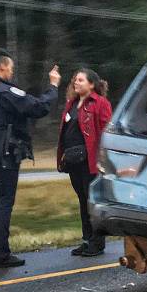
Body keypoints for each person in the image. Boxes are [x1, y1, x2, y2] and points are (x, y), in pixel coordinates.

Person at [0, 49, 60, 269]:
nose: (12, 71)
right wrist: (53, 86)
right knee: (3, 202)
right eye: (10, 67)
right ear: (1, 67)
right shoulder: (3, 91)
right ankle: (0, 254)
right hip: (2, 154)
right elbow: (38, 107)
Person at [57, 68, 112, 257]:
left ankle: (97, 243)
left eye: (81, 80)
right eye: (75, 80)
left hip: (90, 161)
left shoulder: (100, 103)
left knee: (92, 201)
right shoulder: (71, 104)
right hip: (74, 161)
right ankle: (86, 240)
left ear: (91, 84)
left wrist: (104, 159)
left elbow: (106, 131)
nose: (76, 83)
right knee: (82, 201)